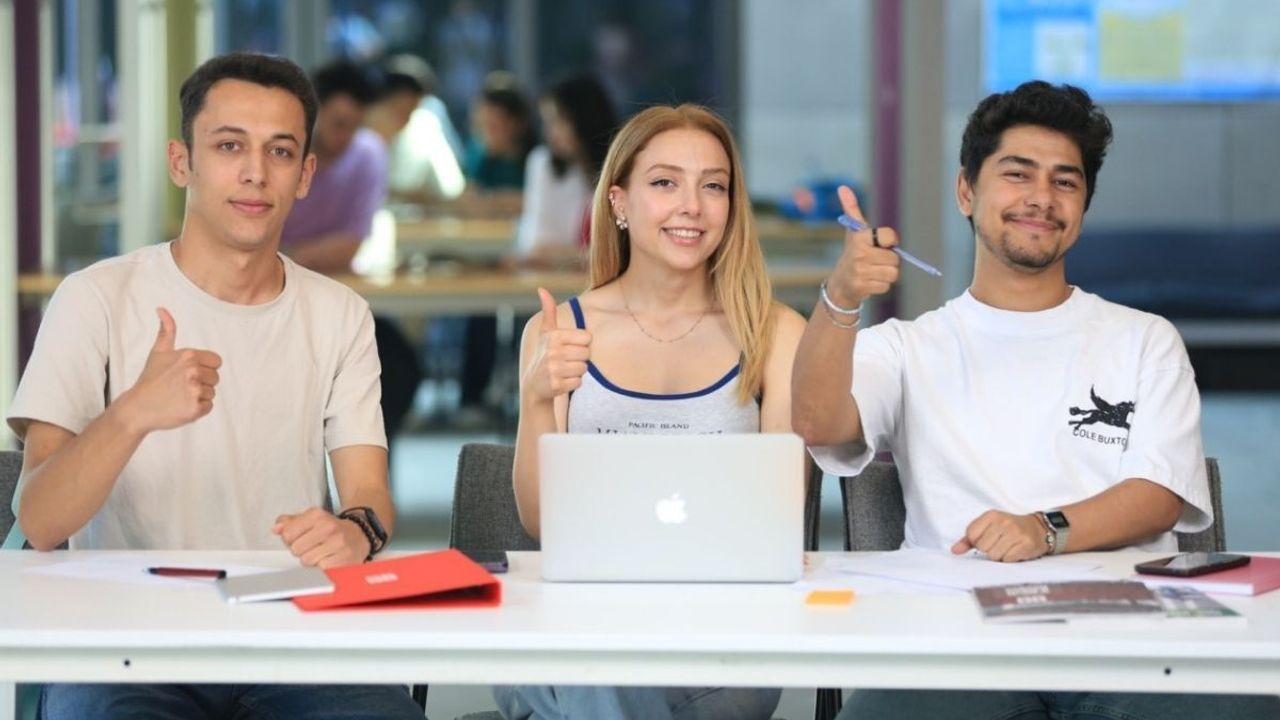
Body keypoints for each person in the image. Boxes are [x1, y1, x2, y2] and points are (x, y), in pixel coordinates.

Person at [791, 80, 1280, 720]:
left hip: (1133, 643)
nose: (1041, 199)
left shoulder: (1145, 340)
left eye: (1065, 182)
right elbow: (816, 421)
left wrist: (1045, 529)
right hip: (956, 645)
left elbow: (1159, 492)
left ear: (1083, 205)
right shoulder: (907, 346)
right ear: (967, 190)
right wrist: (841, 298)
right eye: (1017, 174)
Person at [6, 52, 424, 719]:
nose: (255, 173)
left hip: (293, 632)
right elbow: (39, 519)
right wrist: (132, 414)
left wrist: (355, 532)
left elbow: (369, 496)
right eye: (229, 146)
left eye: (280, 151)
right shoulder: (94, 299)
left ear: (306, 173)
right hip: (125, 644)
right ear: (183, 162)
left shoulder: (340, 314)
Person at [495, 103, 805, 720]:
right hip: (578, 625)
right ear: (618, 202)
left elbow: (780, 521)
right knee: (600, 674)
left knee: (597, 690)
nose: (691, 205)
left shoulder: (776, 333)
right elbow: (538, 523)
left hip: (723, 639)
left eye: (713, 186)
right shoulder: (557, 330)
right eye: (665, 182)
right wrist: (535, 398)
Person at [282, 59, 423, 450]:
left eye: (354, 125)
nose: (345, 136)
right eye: (338, 123)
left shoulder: (367, 154)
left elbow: (350, 245)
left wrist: (285, 253)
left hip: (337, 294)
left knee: (396, 369)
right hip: (275, 296)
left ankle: (369, 475)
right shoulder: (283, 151)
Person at [512, 73, 618, 267]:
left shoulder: (621, 168)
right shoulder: (544, 164)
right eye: (547, 123)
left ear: (585, 118)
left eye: (559, 122)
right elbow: (538, 248)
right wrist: (592, 256)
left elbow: (626, 252)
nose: (550, 132)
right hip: (558, 283)